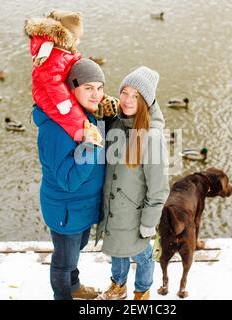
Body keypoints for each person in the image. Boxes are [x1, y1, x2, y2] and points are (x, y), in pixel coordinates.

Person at [33, 58, 107, 300]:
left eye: (100, 87)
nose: (96, 95)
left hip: (82, 208)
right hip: (66, 210)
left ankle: (74, 287)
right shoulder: (55, 129)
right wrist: (92, 146)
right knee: (63, 262)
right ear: (71, 89)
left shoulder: (83, 116)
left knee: (75, 252)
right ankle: (63, 296)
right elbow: (69, 181)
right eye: (88, 88)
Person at [96, 66, 170, 300]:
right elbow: (100, 148)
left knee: (142, 255)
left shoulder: (152, 138)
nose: (127, 100)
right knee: (117, 250)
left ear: (146, 101)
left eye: (135, 96)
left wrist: (149, 223)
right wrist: (101, 117)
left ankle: (142, 290)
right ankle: (118, 285)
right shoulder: (119, 123)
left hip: (135, 215)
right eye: (124, 93)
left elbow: (158, 190)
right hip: (114, 210)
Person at [26, 9, 89, 142]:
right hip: (49, 96)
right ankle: (83, 136)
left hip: (55, 93)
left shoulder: (61, 50)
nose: (78, 42)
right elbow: (52, 82)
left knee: (78, 113)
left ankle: (85, 134)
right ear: (66, 37)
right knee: (72, 117)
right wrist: (63, 103)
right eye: (77, 39)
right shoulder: (53, 55)